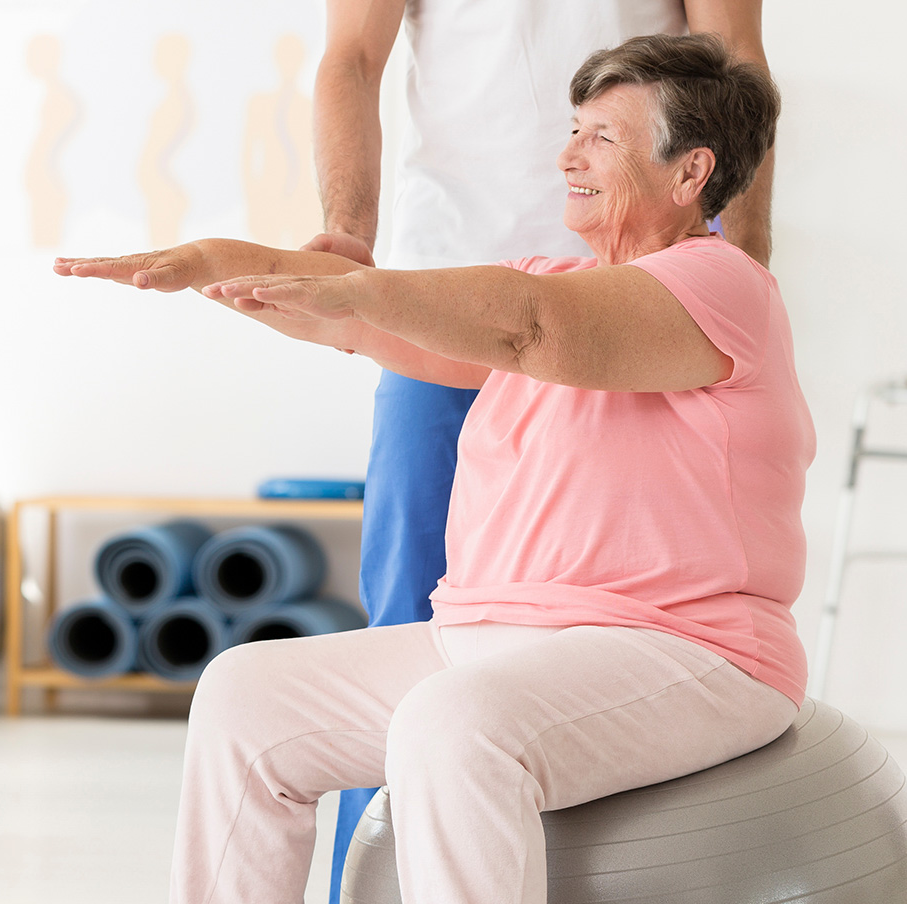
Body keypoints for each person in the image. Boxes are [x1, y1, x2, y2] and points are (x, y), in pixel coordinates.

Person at [58, 34, 810, 904]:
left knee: (453, 722)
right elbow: (364, 325)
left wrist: (361, 292)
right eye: (573, 129)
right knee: (243, 697)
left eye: (602, 136)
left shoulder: (724, 285)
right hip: (490, 643)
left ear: (691, 173)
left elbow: (532, 327)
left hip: (685, 651)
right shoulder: (547, 277)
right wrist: (213, 262)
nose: (568, 153)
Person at [305, 1, 773, 892]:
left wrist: (738, 276)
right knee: (408, 621)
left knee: (633, 622)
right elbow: (350, 59)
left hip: (633, 296)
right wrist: (352, 243)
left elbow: (734, 61)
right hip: (449, 285)